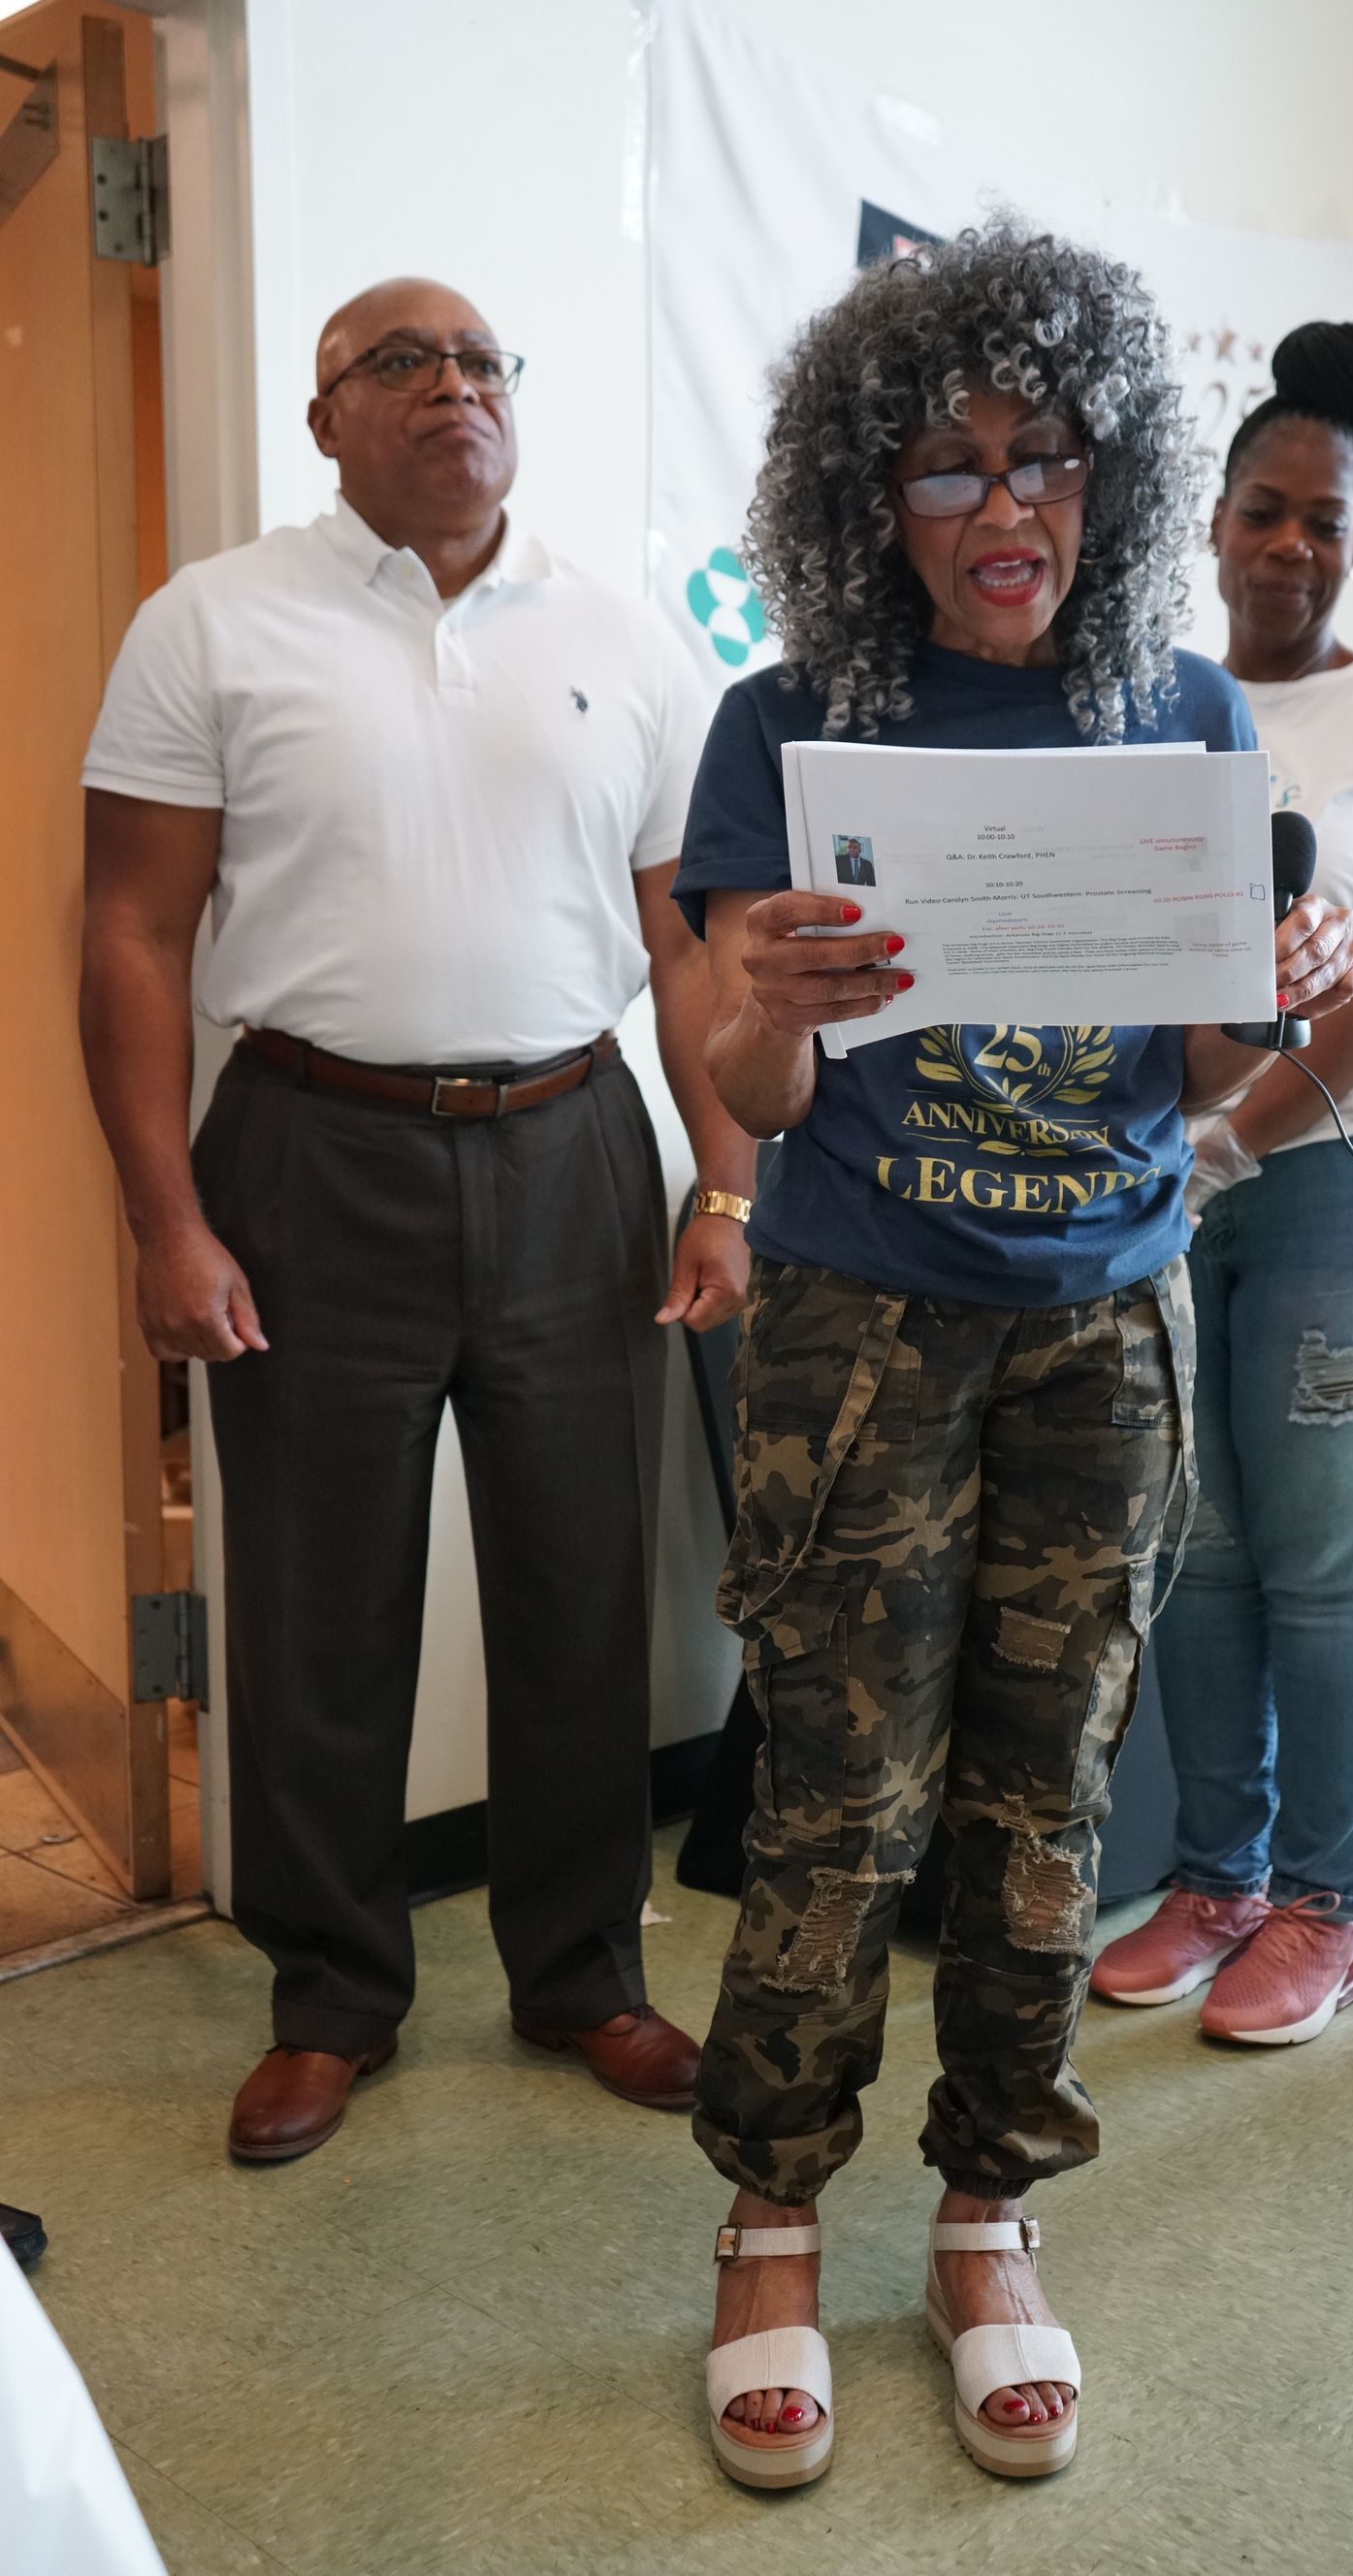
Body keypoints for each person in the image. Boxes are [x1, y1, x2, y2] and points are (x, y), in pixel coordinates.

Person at [671, 223, 1353, 2490]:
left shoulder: (1177, 712)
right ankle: (770, 2214)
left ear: (1102, 471)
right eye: (945, 464)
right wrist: (755, 1000)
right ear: (868, 497)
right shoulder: (786, 720)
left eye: (1037, 455)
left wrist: (1274, 967)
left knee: (1048, 1793)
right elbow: (745, 1100)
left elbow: (1186, 1065)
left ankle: (986, 2208)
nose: (998, 507)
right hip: (864, 1320)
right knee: (833, 1798)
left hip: (1107, 1318)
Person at [79, 277, 756, 2163]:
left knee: (577, 1582)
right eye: (400, 363)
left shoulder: (618, 641)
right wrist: (163, 1216)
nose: (450, 389)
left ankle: (578, 1972)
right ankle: (332, 1991)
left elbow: (680, 942)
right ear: (325, 421)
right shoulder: (211, 624)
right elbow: (128, 929)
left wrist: (723, 1182)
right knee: (314, 1596)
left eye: (479, 363)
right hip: (307, 1152)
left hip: (571, 1154)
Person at [1091, 323, 1353, 2045]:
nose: (1292, 545)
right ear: (1216, 520)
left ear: (1352, 540)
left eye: (1326, 522)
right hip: (1181, 1184)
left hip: (1351, 1182)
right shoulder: (1155, 705)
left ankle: (1329, 1909)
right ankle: (1218, 1877)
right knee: (1204, 1544)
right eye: (1266, 509)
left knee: (1327, 1553)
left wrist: (1224, 1135)